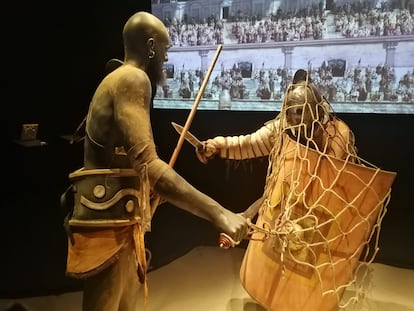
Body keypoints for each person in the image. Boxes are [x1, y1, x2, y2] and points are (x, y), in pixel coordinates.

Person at [62, 11, 247, 311]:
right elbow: (148, 164)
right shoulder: (133, 79)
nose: (166, 57)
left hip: (119, 219)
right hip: (109, 224)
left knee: (125, 303)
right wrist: (220, 213)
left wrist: (145, 190)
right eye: (165, 49)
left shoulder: (117, 78)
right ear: (150, 47)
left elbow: (126, 162)